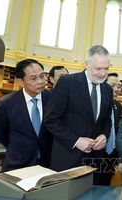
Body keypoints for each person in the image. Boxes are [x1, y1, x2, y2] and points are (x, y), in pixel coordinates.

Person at [44, 45, 113, 185]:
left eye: (106, 68)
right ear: (86, 64)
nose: (103, 73)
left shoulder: (107, 89)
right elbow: (51, 119)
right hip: (68, 158)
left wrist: (104, 135)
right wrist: (76, 141)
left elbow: (106, 121)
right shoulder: (67, 83)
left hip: (95, 161)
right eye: (98, 68)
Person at [0, 59, 53, 171]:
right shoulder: (6, 103)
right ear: (21, 81)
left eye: (42, 76)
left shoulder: (53, 99)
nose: (40, 81)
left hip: (47, 164)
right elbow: (0, 133)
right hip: (17, 163)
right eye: (33, 78)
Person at [100, 72, 122, 185]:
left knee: (108, 181)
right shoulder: (97, 104)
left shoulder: (117, 105)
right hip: (99, 152)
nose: (117, 89)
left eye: (118, 86)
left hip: (112, 153)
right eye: (112, 85)